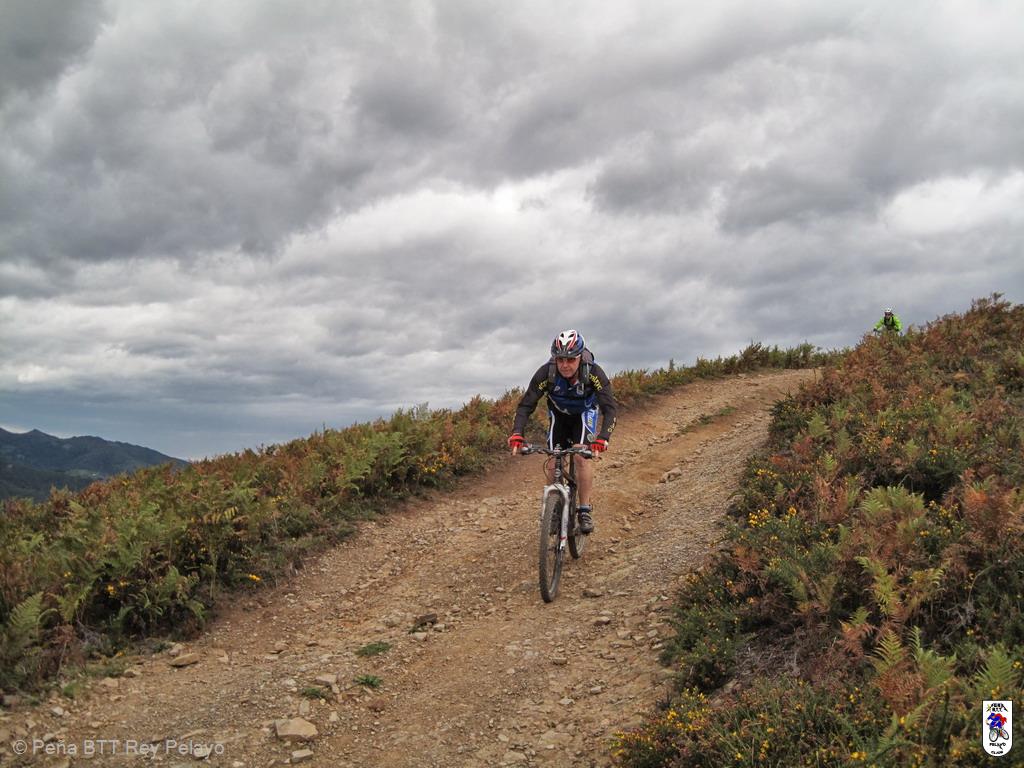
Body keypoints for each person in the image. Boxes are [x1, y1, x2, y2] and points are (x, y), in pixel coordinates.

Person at [508, 330, 618, 534]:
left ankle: (584, 509)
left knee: (581, 457)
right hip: (559, 415)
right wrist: (517, 433)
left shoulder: (593, 372)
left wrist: (603, 438)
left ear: (580, 357)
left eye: (570, 359)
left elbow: (610, 408)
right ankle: (553, 511)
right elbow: (526, 405)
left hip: (584, 414)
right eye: (560, 359)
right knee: (553, 461)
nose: (565, 365)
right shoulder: (546, 373)